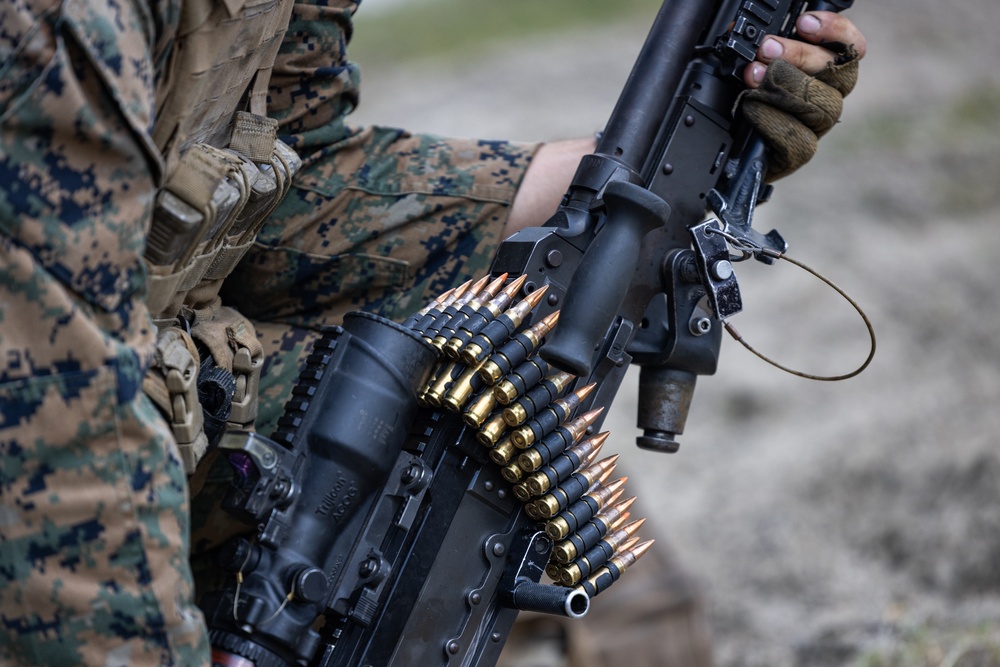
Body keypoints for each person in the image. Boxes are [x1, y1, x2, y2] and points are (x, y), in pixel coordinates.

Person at [0, 0, 866, 664]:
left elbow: (286, 188)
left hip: (141, 391)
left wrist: (598, 183)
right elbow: (50, 413)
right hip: (62, 430)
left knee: (559, 543)